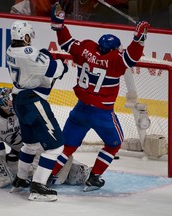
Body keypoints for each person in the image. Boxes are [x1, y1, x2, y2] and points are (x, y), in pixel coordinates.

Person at [50, 2, 150, 191]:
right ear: (113, 49)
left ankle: (47, 175)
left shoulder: (86, 49)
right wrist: (140, 38)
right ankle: (94, 177)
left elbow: (66, 42)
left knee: (67, 147)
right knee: (114, 144)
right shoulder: (114, 61)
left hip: (80, 109)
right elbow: (132, 56)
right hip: (102, 114)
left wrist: (59, 26)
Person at [6, 20, 68, 201]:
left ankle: (20, 180)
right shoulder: (27, 53)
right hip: (33, 102)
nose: (30, 40)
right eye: (29, 37)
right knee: (56, 147)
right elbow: (52, 69)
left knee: (30, 145)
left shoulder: (10, 50)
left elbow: (36, 69)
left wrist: (45, 59)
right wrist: (62, 66)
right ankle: (38, 186)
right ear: (25, 37)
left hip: (19, 101)